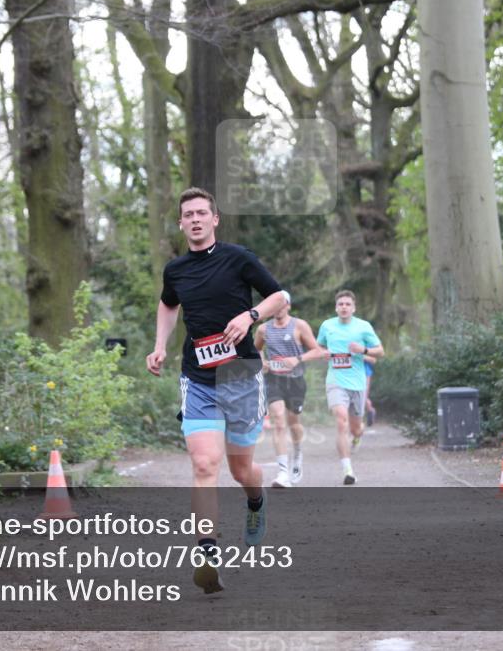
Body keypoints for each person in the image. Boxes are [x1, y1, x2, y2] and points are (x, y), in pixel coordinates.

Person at [146, 187, 286, 593]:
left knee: (242, 469)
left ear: (214, 219)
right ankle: (207, 553)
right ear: (181, 223)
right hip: (198, 379)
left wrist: (250, 316)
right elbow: (168, 304)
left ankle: (256, 502)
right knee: (205, 465)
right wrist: (159, 346)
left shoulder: (238, 258)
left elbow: (279, 296)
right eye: (187, 214)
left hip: (240, 376)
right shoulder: (176, 270)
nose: (194, 219)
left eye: (201, 213)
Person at [292, 290, 383, 485]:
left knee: (355, 428)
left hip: (357, 383)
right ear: (336, 307)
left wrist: (363, 350)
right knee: (341, 421)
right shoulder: (328, 326)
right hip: (335, 381)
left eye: (347, 304)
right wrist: (323, 353)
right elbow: (317, 348)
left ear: (353, 308)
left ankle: (358, 435)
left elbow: (380, 351)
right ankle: (347, 470)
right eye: (340, 304)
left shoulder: (363, 327)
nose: (344, 307)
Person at [253, 290, 318, 488]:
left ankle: (297, 451)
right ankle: (283, 472)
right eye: (275, 305)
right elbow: (256, 348)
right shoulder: (263, 329)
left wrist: (296, 359)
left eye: (282, 305)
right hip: (273, 380)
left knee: (293, 424)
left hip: (296, 381)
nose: (278, 308)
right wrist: (262, 361)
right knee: (278, 420)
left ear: (288, 306)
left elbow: (317, 351)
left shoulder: (299, 326)